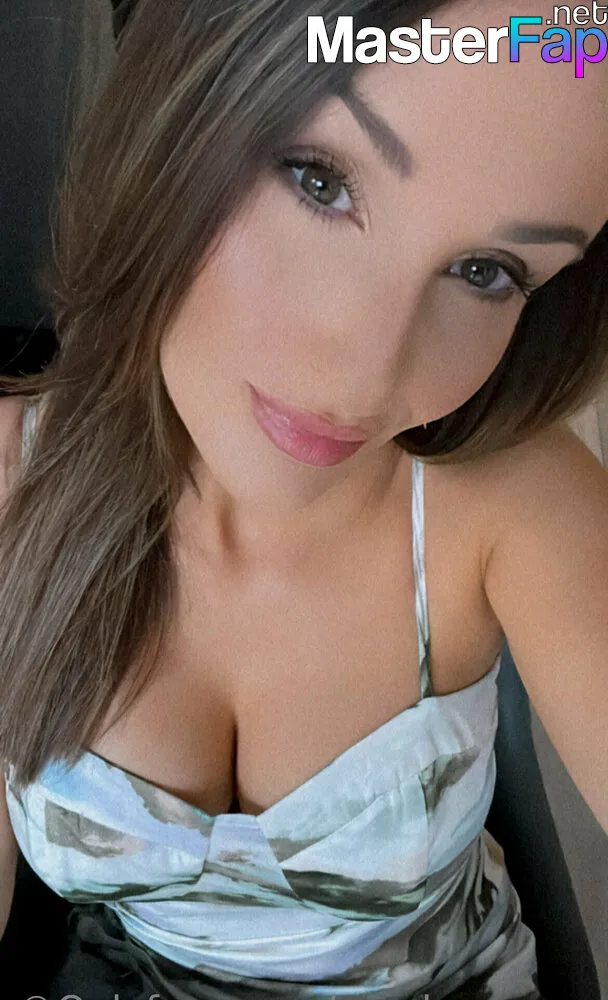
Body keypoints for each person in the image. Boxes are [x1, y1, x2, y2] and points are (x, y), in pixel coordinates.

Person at [0, 0, 607, 997]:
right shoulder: (14, 481)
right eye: (318, 181)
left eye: (485, 272)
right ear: (178, 108)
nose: (366, 377)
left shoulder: (509, 501)